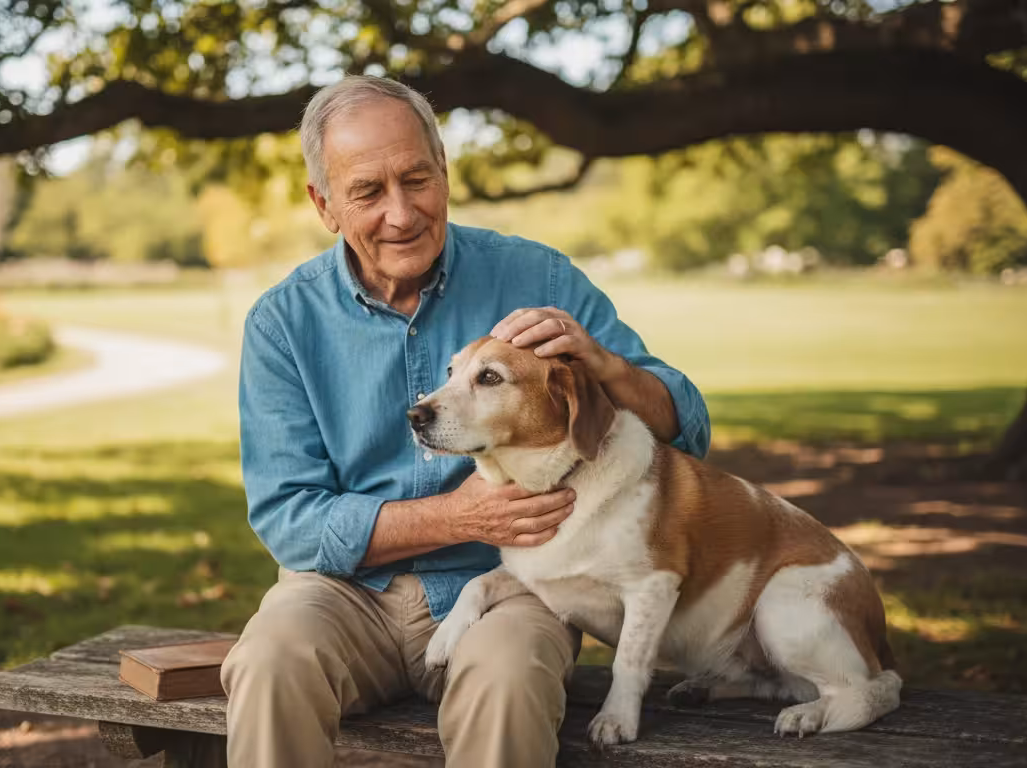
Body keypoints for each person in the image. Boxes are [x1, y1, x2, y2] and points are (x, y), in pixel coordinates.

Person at [222, 75, 710, 767]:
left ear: (445, 171)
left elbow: (685, 427)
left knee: (510, 681)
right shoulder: (282, 322)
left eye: (417, 178)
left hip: (515, 587)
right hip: (343, 594)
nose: (401, 213)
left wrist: (605, 365)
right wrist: (455, 517)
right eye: (367, 192)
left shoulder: (538, 279)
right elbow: (287, 519)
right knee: (269, 660)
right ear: (324, 205)